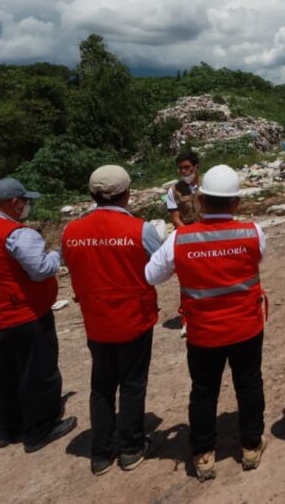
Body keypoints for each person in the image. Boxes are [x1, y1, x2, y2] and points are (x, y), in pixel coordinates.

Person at [145, 165, 268, 481]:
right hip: (246, 327)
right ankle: (251, 446)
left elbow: (151, 275)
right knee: (249, 385)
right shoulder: (252, 232)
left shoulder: (180, 239)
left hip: (203, 333)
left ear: (200, 201)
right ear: (236, 203)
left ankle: (203, 454)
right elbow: (257, 258)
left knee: (203, 391)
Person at [0, 178, 77, 452]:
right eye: (25, 201)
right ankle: (40, 429)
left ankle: (9, 428)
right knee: (39, 372)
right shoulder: (16, 233)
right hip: (26, 313)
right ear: (14, 202)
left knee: (7, 372)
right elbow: (41, 270)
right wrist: (58, 254)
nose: (26, 206)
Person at [61, 165, 163, 476]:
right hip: (134, 319)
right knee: (132, 384)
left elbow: (72, 265)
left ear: (92, 194)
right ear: (127, 193)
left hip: (96, 322)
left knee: (101, 386)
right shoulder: (140, 229)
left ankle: (101, 454)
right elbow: (160, 266)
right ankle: (131, 448)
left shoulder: (71, 232)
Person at [167, 151, 202, 228]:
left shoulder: (208, 186)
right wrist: (189, 233)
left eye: (187, 167)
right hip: (187, 231)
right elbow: (175, 219)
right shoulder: (174, 190)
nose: (183, 171)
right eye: (180, 168)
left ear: (196, 167)